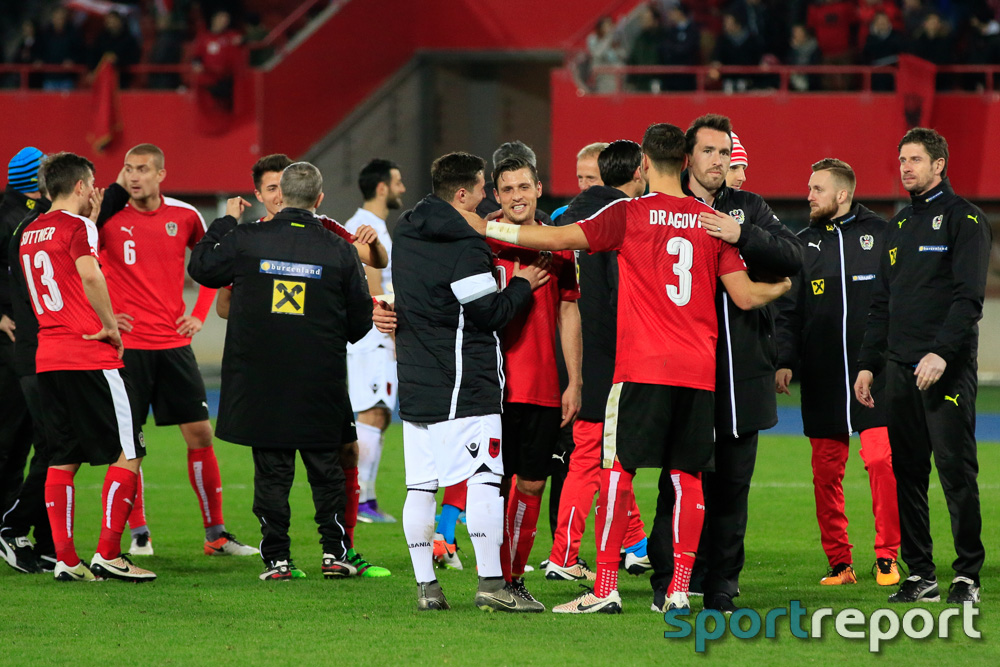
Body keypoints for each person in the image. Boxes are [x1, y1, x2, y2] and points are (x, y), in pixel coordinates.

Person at [473, 122, 792, 613]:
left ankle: (604, 589)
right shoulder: (710, 220)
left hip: (642, 367)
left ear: (643, 164)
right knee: (687, 477)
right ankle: (680, 590)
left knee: (619, 472)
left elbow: (558, 237)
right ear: (684, 162)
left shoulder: (628, 213)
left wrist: (487, 227)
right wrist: (783, 288)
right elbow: (746, 296)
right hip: (698, 372)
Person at [189, 162, 372, 581]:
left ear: (281, 196)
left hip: (261, 380)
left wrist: (225, 222)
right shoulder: (339, 248)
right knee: (326, 471)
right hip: (319, 379)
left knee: (272, 472)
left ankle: (277, 560)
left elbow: (201, 267)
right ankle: (335, 554)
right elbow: (361, 322)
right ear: (319, 200)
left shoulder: (246, 239)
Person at [649, 116, 802, 615]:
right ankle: (670, 578)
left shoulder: (749, 208)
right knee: (677, 483)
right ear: (688, 157)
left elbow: (793, 255)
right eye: (710, 151)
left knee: (733, 487)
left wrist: (740, 234)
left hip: (741, 375)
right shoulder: (669, 209)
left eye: (725, 152)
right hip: (680, 370)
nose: (718, 160)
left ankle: (720, 586)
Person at [390, 151, 549, 611]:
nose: (487, 198)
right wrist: (522, 284)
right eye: (482, 189)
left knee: (420, 486)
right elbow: (489, 313)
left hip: (416, 382)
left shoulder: (407, 229)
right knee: (484, 480)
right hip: (465, 383)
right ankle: (493, 585)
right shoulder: (464, 245)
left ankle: (427, 588)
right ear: (462, 194)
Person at [100, 143, 256, 558]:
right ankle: (138, 534)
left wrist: (200, 314)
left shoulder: (185, 216)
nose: (134, 177)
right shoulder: (107, 217)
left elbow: (211, 265)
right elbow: (83, 268)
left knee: (201, 433)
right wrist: (110, 314)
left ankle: (216, 535)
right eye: (128, 169)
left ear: (161, 174)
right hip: (127, 349)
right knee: (128, 446)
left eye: (143, 169)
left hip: (173, 345)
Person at [856, 128, 990, 604]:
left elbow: (968, 299)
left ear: (939, 165)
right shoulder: (898, 225)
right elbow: (881, 303)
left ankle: (967, 575)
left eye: (915, 159)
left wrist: (941, 353)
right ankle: (921, 575)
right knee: (908, 473)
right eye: (901, 159)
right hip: (898, 370)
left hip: (945, 369)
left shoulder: (966, 220)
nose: (905, 166)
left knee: (956, 472)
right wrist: (870, 364)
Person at [22, 152, 153, 582]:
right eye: (92, 183)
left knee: (63, 457)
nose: (96, 189)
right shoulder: (79, 227)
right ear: (81, 186)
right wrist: (111, 327)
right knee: (129, 451)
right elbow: (90, 276)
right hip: (89, 355)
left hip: (48, 358)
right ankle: (109, 554)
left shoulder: (30, 232)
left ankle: (66, 559)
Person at [774, 158, 900, 588]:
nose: (808, 195)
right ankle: (839, 563)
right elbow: (789, 310)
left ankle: (887, 557)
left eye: (817, 189)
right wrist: (786, 359)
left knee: (882, 461)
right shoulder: (802, 244)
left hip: (876, 373)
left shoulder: (883, 235)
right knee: (826, 473)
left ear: (842, 195)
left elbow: (898, 302)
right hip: (824, 377)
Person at [544, 140, 650, 582]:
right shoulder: (623, 219)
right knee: (591, 456)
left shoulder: (562, 218)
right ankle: (564, 556)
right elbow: (618, 299)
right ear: (638, 172)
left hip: (559, 350)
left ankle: (636, 544)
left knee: (606, 454)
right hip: (606, 358)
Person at [485, 155, 581, 607]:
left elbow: (567, 310)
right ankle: (494, 579)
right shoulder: (482, 238)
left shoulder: (555, 243)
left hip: (544, 386)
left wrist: (574, 380)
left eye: (524, 186)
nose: (517, 196)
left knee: (533, 485)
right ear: (496, 195)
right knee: (492, 486)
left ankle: (514, 577)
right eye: (508, 189)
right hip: (493, 386)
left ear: (539, 188)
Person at [344, 159, 406, 524]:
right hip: (373, 335)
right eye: (397, 182)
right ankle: (362, 499)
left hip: (372, 335)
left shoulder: (371, 226)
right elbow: (374, 288)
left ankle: (365, 497)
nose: (402, 188)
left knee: (378, 414)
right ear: (382, 187)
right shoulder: (366, 229)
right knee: (372, 412)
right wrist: (394, 334)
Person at [0, 147, 50, 572]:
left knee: (40, 437)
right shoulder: (7, 216)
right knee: (11, 439)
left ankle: (40, 533)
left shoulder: (45, 213)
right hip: (11, 341)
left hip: (38, 339)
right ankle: (9, 529)